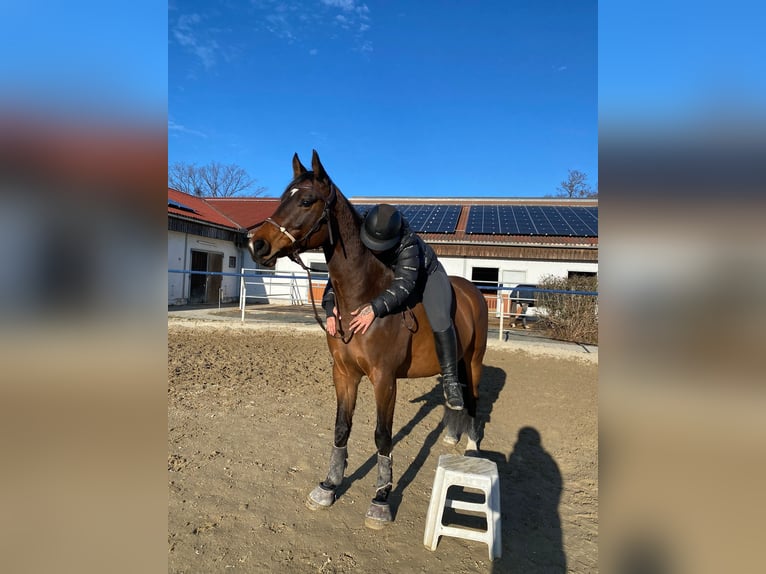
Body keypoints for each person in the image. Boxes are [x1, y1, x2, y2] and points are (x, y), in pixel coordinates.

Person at [321, 204, 464, 410]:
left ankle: (451, 380)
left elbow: (404, 284)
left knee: (441, 319)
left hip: (425, 275)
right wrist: (329, 304)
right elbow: (342, 276)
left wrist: (374, 308)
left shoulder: (408, 243)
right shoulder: (362, 230)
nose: (375, 250)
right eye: (372, 244)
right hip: (390, 273)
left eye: (380, 246)